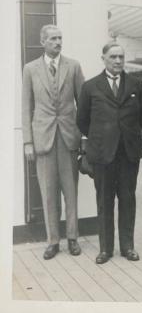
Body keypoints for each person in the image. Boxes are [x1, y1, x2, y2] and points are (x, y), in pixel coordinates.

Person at [76, 42, 142, 264]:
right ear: (103, 58)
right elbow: (83, 121)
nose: (118, 61)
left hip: (128, 154)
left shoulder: (136, 84)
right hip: (103, 154)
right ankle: (105, 249)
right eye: (113, 57)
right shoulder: (90, 87)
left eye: (121, 57)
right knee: (104, 201)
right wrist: (102, 139)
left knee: (128, 199)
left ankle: (128, 247)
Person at [22, 24, 84, 260]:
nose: (58, 42)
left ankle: (73, 239)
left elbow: (84, 104)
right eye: (53, 39)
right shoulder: (30, 69)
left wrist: (83, 137)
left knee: (70, 191)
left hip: (68, 137)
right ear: (43, 42)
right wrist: (28, 142)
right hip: (43, 139)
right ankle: (52, 241)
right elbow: (26, 107)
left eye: (60, 38)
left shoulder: (73, 66)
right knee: (48, 193)